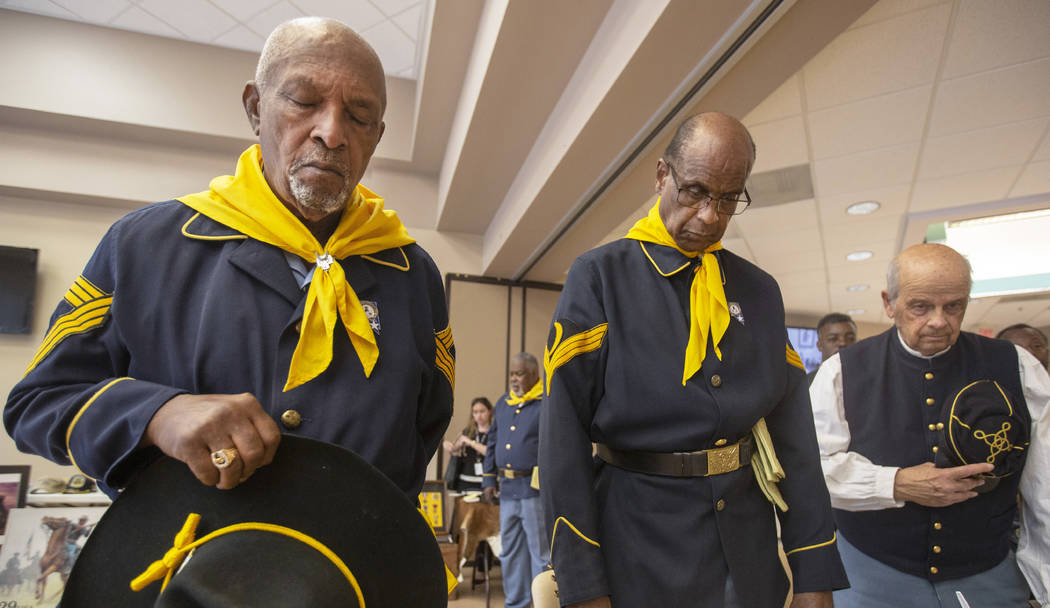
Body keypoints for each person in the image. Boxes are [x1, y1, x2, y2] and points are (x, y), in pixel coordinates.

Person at [4, 17, 454, 500]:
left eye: (359, 115)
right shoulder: (142, 246)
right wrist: (157, 414)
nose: (331, 132)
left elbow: (426, 425)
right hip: (185, 565)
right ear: (256, 108)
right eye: (304, 101)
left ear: (377, 136)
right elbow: (37, 403)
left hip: (356, 570)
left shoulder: (411, 273)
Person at [540, 112, 847, 608]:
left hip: (746, 550)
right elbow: (562, 443)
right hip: (637, 546)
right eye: (695, 191)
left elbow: (795, 441)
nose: (709, 216)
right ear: (663, 175)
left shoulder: (759, 291)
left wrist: (813, 571)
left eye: (728, 199)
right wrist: (582, 586)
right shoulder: (600, 277)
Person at [809, 243, 1050, 607]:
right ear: (889, 303)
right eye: (921, 306)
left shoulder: (1017, 366)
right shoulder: (841, 372)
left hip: (987, 570)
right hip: (871, 573)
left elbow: (1044, 487)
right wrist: (895, 483)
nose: (939, 320)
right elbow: (813, 470)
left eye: (954, 306)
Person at [483, 353, 549, 608]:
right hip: (507, 490)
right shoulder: (503, 403)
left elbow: (552, 447)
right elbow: (492, 443)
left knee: (539, 554)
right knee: (510, 552)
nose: (513, 378)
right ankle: (516, 603)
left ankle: (541, 603)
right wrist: (489, 480)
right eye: (512, 373)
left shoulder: (545, 404)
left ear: (534, 376)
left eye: (519, 373)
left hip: (534, 490)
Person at [443, 396, 492, 492]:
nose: (479, 416)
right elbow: (454, 449)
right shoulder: (467, 431)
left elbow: (491, 452)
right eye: (475, 412)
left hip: (486, 481)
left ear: (490, 412)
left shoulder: (495, 432)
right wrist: (448, 445)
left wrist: (471, 443)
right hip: (465, 480)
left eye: (482, 411)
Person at [808, 312, 857, 385]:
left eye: (850, 338)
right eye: (833, 339)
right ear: (819, 345)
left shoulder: (870, 382)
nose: (842, 343)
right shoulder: (805, 384)